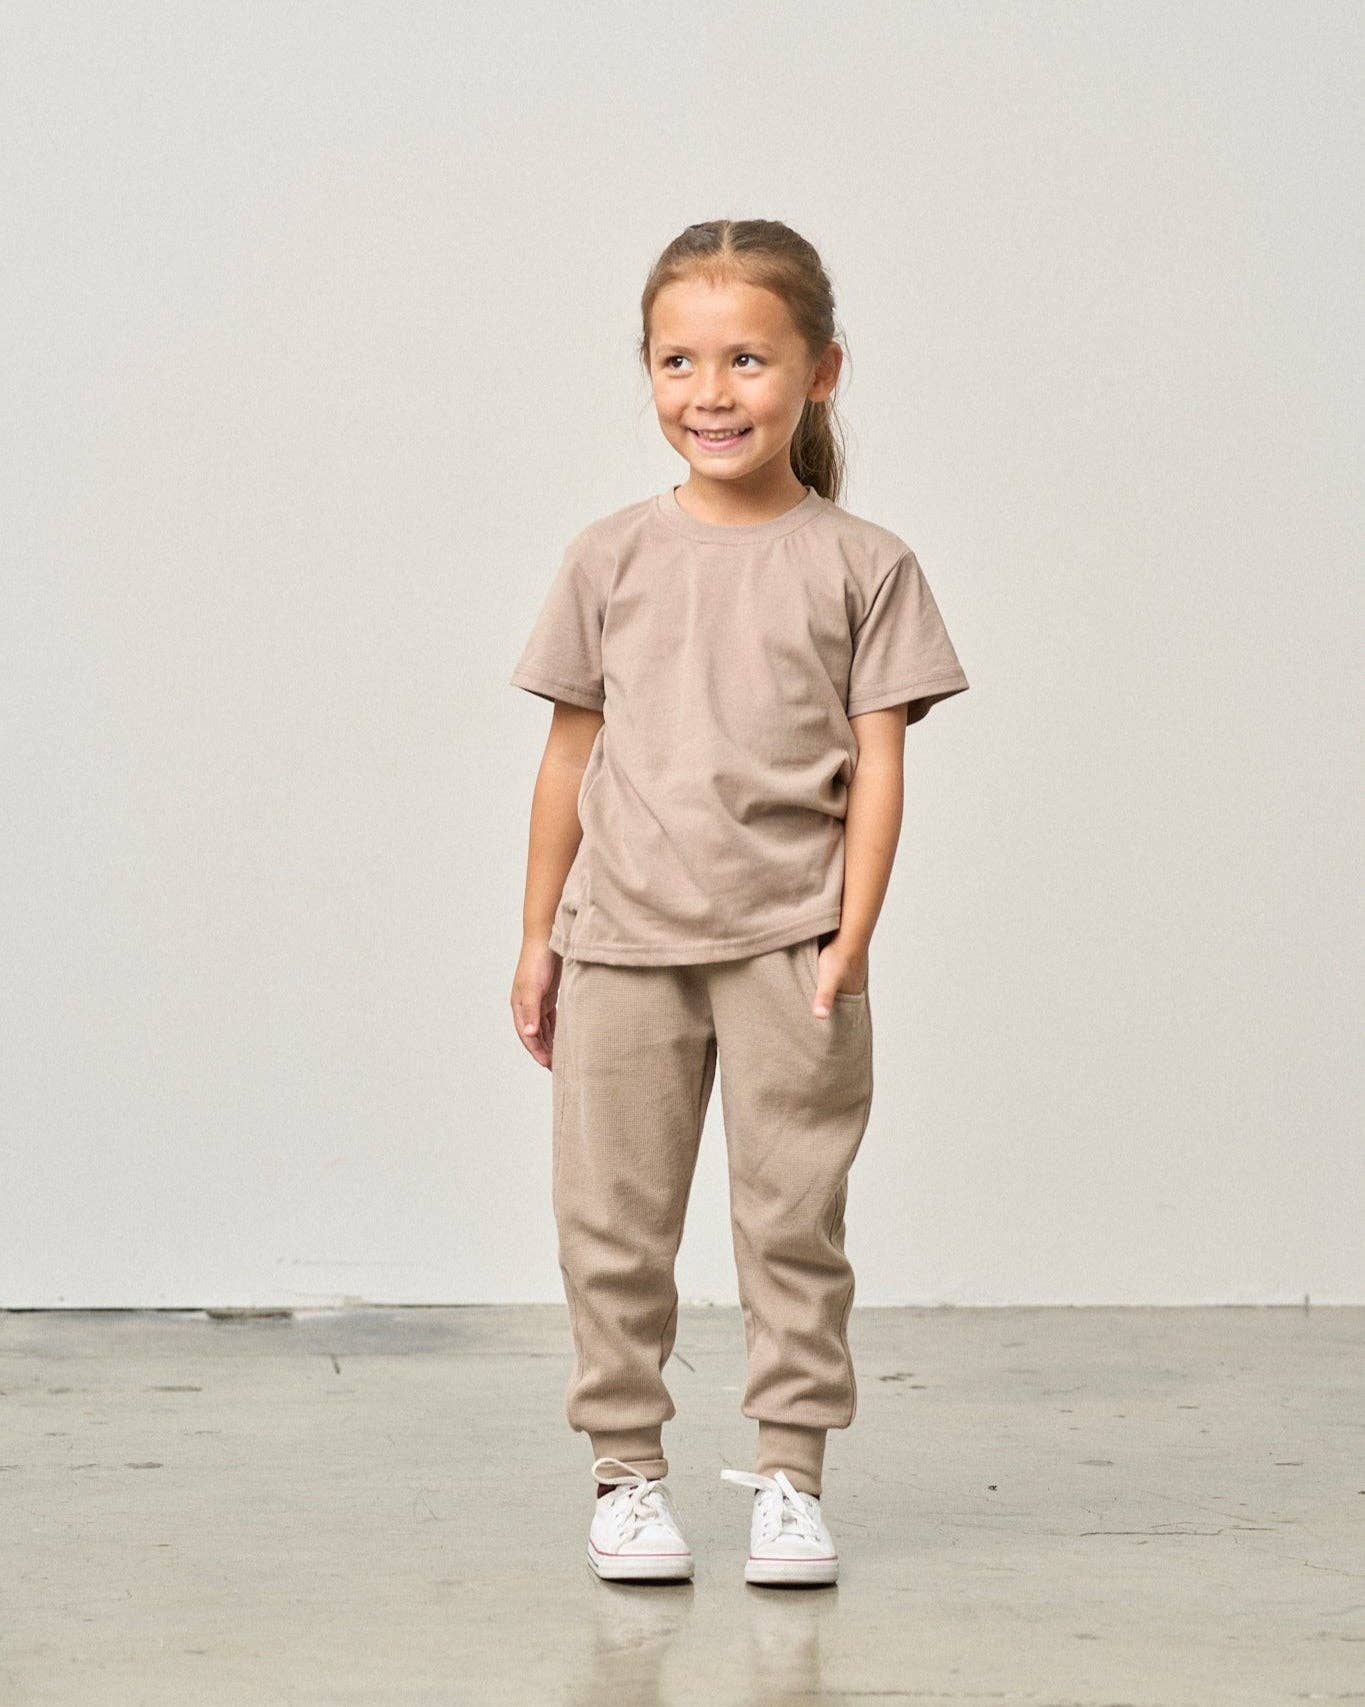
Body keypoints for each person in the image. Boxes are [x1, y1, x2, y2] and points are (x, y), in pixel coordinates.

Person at [509, 218, 970, 1587]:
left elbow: (878, 769)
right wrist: (535, 938)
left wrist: (849, 939)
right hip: (619, 943)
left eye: (748, 360)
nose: (710, 393)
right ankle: (625, 1475)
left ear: (820, 372)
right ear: (648, 372)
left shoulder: (865, 563)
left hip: (789, 947)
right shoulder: (607, 556)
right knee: (612, 1227)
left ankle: (790, 1480)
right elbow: (569, 758)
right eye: (679, 361)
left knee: (792, 1226)